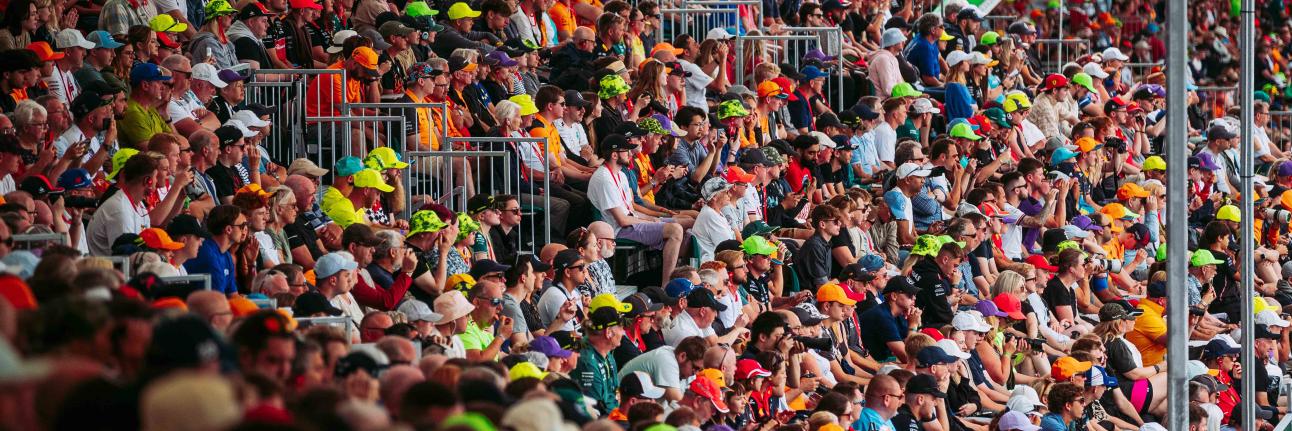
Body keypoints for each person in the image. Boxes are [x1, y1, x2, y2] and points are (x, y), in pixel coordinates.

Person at [86, 153, 157, 255]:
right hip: (105, 269)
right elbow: (126, 257)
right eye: (155, 177)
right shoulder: (120, 210)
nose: (157, 181)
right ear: (148, 181)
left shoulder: (140, 205)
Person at [183, 205, 246, 295]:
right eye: (242, 226)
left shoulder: (226, 255)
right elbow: (217, 300)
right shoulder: (208, 256)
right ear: (228, 229)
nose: (245, 230)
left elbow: (233, 295)